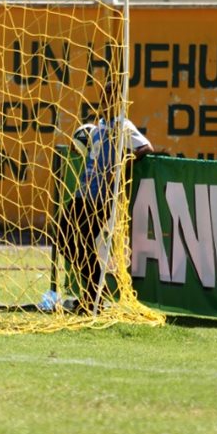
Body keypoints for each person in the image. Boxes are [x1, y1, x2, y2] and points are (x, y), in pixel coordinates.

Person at [55, 82, 153, 314]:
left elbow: (147, 148)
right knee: (64, 237)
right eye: (105, 96)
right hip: (83, 192)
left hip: (101, 197)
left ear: (120, 101)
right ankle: (93, 293)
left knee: (82, 242)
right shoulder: (97, 128)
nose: (107, 101)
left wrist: (120, 167)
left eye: (112, 97)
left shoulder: (122, 126)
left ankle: (92, 298)